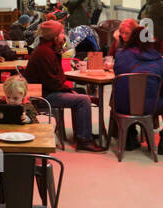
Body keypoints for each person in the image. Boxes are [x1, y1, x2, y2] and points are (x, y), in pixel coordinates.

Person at [23, 19, 105, 152]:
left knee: (79, 91)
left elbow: (55, 79)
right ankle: (84, 140)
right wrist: (68, 89)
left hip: (47, 90)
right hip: (43, 96)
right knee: (83, 100)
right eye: (61, 33)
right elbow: (52, 82)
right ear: (54, 37)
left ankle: (83, 132)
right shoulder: (45, 53)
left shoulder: (49, 49)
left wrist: (69, 89)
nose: (64, 36)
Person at [113, 31, 163, 154]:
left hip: (121, 106)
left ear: (132, 39)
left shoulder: (120, 55)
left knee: (124, 93)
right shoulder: (157, 59)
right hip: (149, 108)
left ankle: (129, 136)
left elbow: (119, 78)